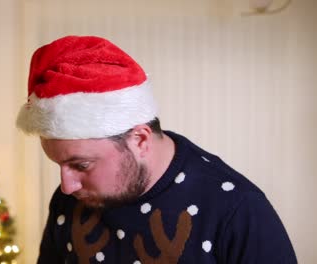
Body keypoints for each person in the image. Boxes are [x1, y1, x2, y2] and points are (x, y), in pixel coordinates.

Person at [16, 35, 297, 264]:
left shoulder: (236, 208)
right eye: (59, 165)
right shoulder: (71, 199)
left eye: (81, 165)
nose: (66, 185)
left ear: (139, 139)